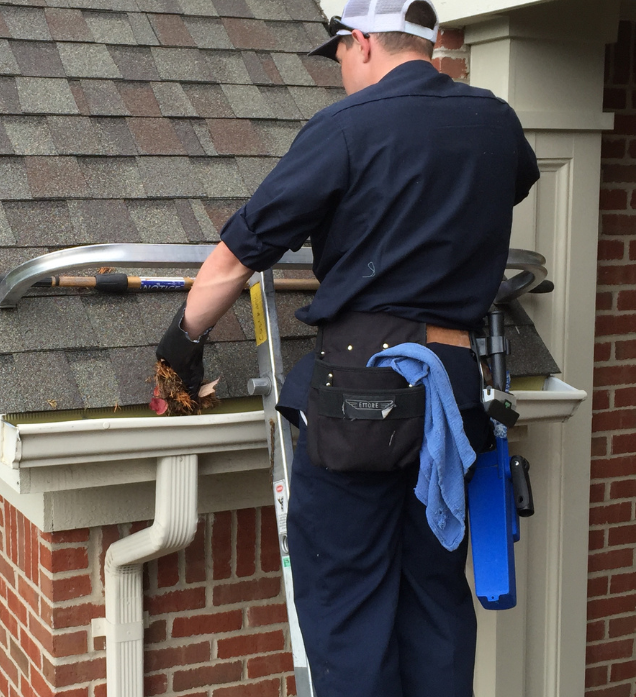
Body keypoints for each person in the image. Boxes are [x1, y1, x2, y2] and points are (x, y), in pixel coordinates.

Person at [154, 1, 541, 696]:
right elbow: (508, 182)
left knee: (348, 610)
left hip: (364, 396)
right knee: (435, 603)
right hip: (455, 390)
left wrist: (180, 341)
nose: (340, 74)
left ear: (360, 41)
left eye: (337, 57)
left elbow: (238, 255)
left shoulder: (347, 128)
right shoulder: (496, 122)